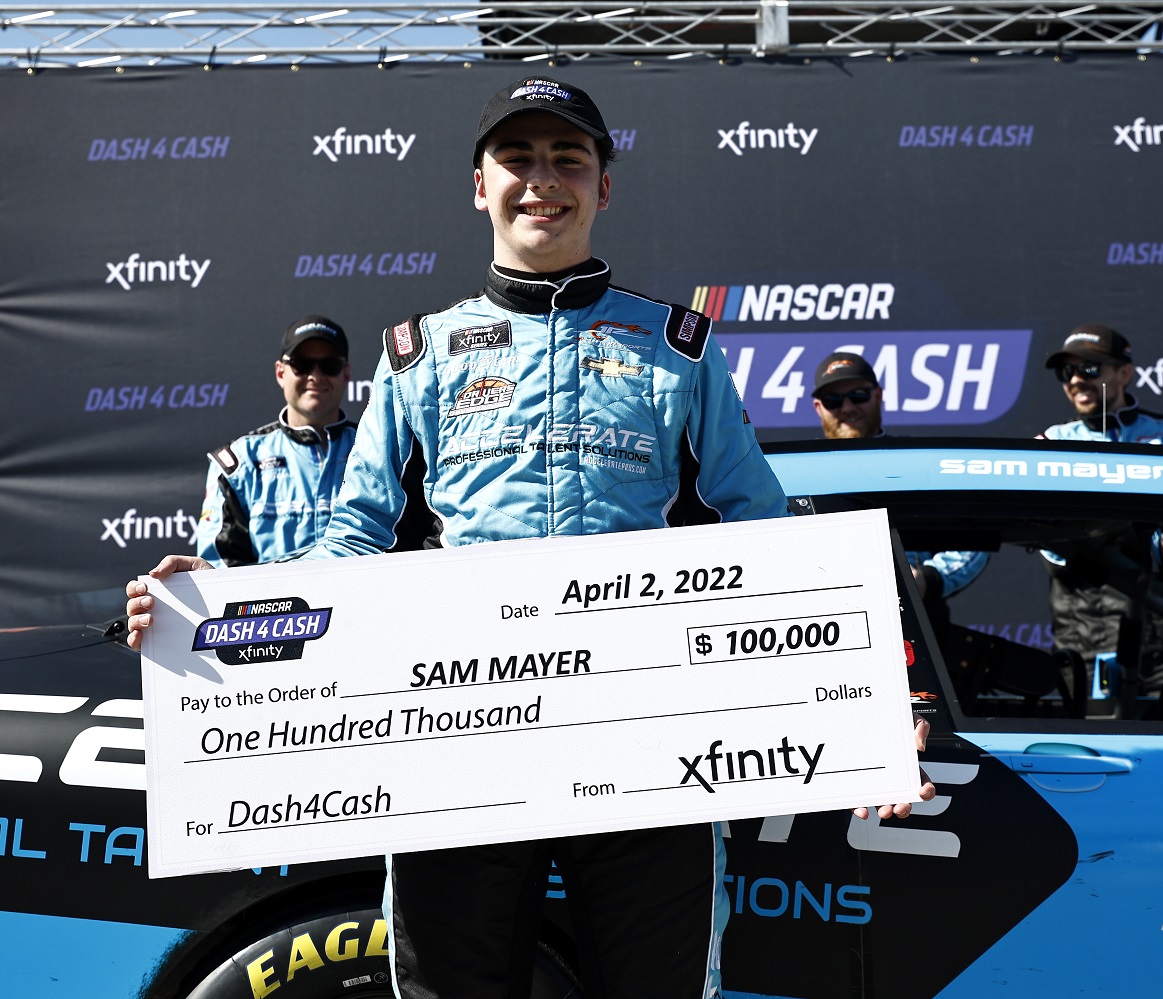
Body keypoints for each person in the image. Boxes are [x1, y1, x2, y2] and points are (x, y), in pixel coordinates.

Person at [128, 77, 933, 999]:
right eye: (517, 157)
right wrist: (219, 602)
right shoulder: (418, 358)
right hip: (456, 742)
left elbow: (761, 529)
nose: (540, 179)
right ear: (480, 184)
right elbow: (353, 544)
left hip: (651, 744)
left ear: (603, 186)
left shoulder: (676, 349)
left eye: (568, 158)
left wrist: (879, 690)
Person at [1037, 324, 1163, 702]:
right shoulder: (1048, 448)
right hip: (1084, 633)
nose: (1077, 380)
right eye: (1067, 372)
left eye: (1090, 369)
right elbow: (1044, 543)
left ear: (1124, 373)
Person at [811, 351, 988, 625]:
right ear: (818, 407)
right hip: (826, 621)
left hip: (914, 621)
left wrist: (929, 579)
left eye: (858, 395)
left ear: (878, 395)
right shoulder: (801, 471)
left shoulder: (917, 461)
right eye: (834, 400)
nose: (847, 408)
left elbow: (975, 532)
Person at [197, 315, 356, 566]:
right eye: (302, 365)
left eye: (329, 365)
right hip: (274, 605)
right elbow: (219, 569)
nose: (315, 376)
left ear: (346, 374)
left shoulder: (377, 450)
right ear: (281, 373)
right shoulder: (238, 463)